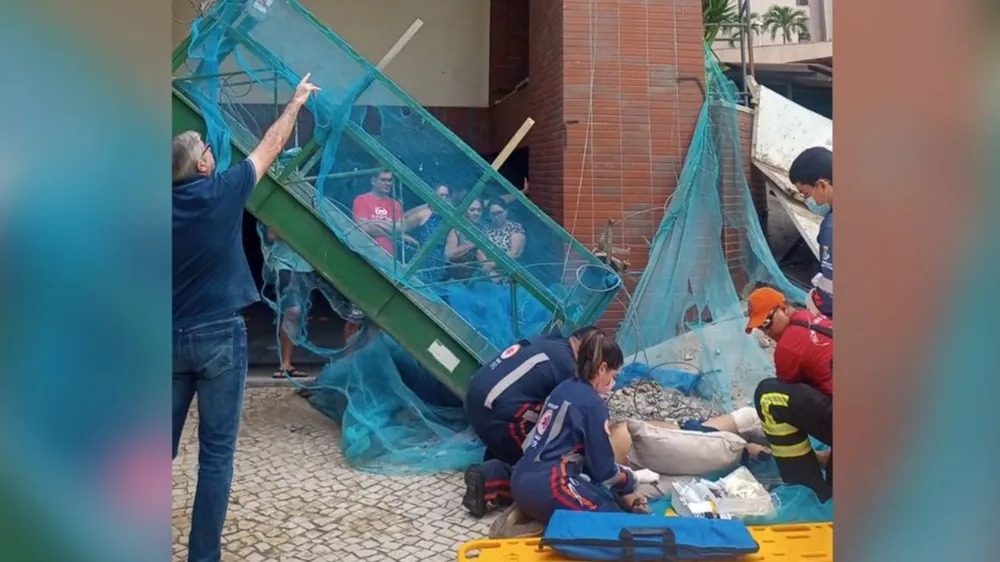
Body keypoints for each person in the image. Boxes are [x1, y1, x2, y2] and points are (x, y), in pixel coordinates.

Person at [172, 73, 320, 562]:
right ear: (203, 163)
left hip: (165, 339)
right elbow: (270, 145)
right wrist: (296, 101)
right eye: (206, 149)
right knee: (215, 456)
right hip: (220, 338)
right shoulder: (224, 191)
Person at [510, 329, 659, 524]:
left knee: (597, 497)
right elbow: (602, 469)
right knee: (616, 524)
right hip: (550, 484)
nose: (613, 383)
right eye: (614, 375)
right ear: (602, 369)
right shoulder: (592, 404)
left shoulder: (563, 388)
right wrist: (634, 478)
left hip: (521, 477)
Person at [462, 326, 599, 518]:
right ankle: (490, 479)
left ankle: (497, 461)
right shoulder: (567, 365)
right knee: (538, 478)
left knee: (532, 416)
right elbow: (574, 415)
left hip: (477, 401)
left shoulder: (551, 342)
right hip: (500, 413)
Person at [744, 286, 833, 502]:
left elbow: (791, 405)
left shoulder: (788, 348)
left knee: (769, 396)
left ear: (784, 309)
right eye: (761, 329)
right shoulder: (818, 321)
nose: (767, 332)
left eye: (767, 323)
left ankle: (806, 486)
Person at [789, 146, 834, 318]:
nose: (807, 200)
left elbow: (833, 288)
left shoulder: (833, 227)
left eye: (805, 193)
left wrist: (815, 305)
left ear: (822, 185)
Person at [351, 170, 415, 257]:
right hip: (365, 253)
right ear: (373, 181)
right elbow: (364, 228)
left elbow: (401, 229)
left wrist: (375, 223)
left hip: (388, 258)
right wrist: (392, 230)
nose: (388, 183)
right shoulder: (362, 200)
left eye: (390, 180)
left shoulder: (396, 204)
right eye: (383, 180)